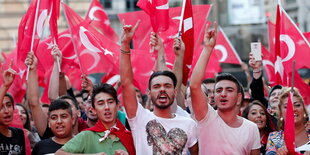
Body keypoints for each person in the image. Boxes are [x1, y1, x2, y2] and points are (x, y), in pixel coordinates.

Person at [120, 21, 198, 154]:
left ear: (174, 91)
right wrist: (125, 45)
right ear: (149, 93)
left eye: (167, 86)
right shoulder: (139, 118)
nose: (162, 89)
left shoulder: (189, 124)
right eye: (156, 86)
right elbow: (126, 83)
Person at [190, 22, 260, 154]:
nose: (223, 94)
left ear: (239, 97)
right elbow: (194, 85)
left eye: (229, 90)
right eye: (218, 90)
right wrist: (208, 48)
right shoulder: (206, 117)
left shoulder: (251, 128)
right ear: (213, 97)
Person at [55, 83, 135, 155]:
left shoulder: (131, 137)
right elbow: (59, 153)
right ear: (93, 110)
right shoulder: (86, 136)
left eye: (110, 102)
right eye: (101, 104)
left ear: (117, 106)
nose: (107, 107)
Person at [266, 87, 309, 155]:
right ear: (281, 113)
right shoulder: (274, 138)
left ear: (303, 110)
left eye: (297, 105)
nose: (293, 109)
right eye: (287, 107)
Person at [0, 67, 25, 155]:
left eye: (9, 105)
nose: (6, 111)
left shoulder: (19, 133)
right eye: (1, 107)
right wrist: (5, 86)